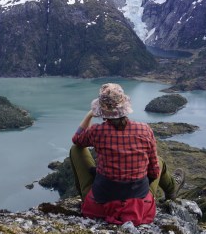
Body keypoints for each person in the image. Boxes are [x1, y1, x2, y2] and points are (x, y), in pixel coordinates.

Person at [70, 83, 184, 226]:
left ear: (101, 110)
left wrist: (89, 115)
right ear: (124, 107)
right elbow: (154, 173)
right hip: (138, 207)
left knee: (76, 149)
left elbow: (76, 140)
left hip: (101, 205)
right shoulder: (144, 130)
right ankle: (172, 190)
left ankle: (85, 197)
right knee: (159, 161)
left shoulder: (96, 131)